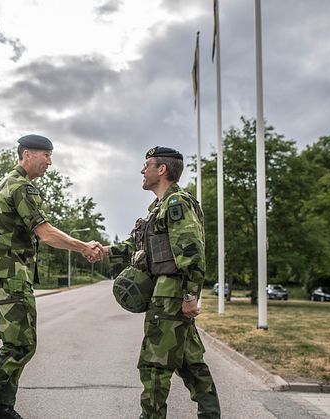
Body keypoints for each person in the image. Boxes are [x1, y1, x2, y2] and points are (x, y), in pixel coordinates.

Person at [0, 134, 104, 419]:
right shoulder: (22, 187)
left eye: (51, 155)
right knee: (21, 344)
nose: (50, 162)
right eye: (45, 155)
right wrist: (84, 246)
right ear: (27, 154)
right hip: (9, 272)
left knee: (18, 343)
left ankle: (3, 407)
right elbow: (46, 233)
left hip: (6, 271)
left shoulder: (10, 183)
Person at [106, 146, 220, 418]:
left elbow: (191, 251)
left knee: (154, 366)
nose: (142, 170)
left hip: (170, 294)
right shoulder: (158, 208)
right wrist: (101, 250)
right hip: (168, 294)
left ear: (162, 169)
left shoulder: (176, 203)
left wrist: (191, 296)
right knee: (190, 362)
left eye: (147, 165)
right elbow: (136, 247)